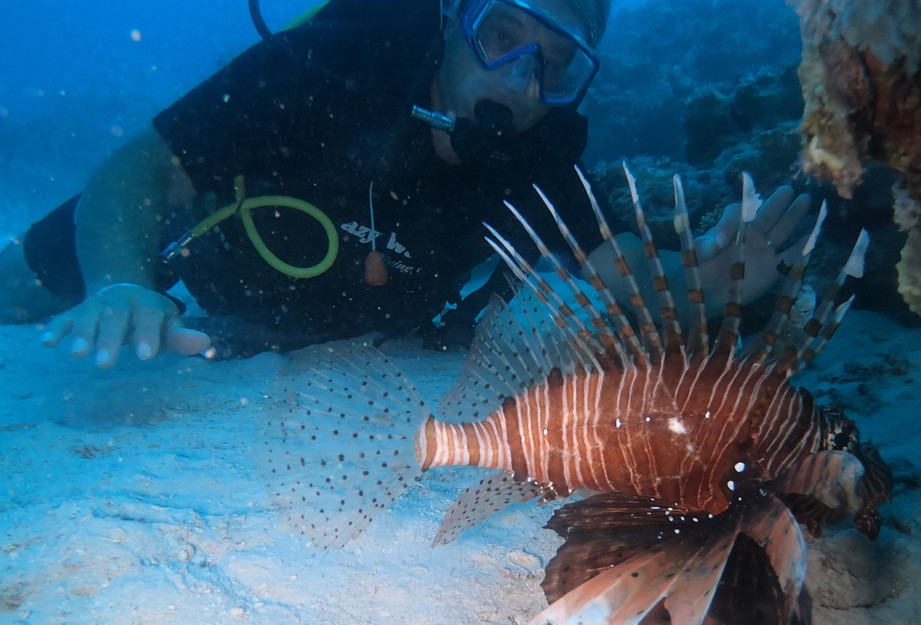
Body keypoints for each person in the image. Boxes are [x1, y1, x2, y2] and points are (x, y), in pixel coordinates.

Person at [0, 0, 809, 368]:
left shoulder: (541, 163)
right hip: (185, 259)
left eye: (554, 61)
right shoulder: (336, 59)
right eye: (502, 35)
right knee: (17, 290)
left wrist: (707, 283)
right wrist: (115, 280)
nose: (521, 80)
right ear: (455, 21)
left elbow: (616, 266)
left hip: (321, 336)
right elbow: (140, 168)